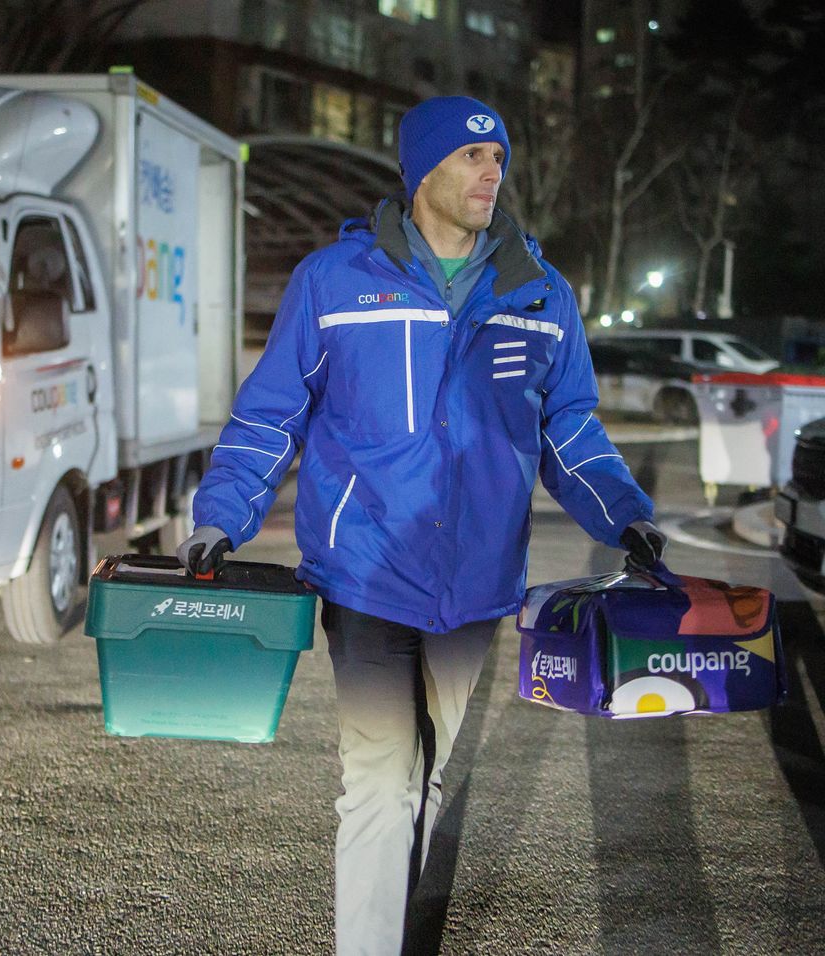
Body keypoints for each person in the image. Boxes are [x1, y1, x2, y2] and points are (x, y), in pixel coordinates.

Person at [177, 95, 666, 954]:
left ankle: (397, 930)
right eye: (473, 156)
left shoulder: (539, 293)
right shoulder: (334, 281)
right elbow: (270, 417)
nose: (492, 172)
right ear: (422, 171)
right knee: (378, 778)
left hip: (476, 584)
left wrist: (627, 517)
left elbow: (571, 427)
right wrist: (221, 517)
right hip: (365, 571)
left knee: (428, 772)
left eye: (498, 157)